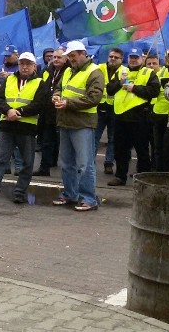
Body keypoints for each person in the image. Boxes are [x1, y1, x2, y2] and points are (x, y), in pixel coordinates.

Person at [0, 52, 49, 203]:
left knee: (27, 162)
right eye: (22, 64)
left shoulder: (40, 82)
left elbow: (40, 104)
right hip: (7, 125)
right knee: (0, 160)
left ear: (34, 66)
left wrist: (18, 112)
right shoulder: (9, 79)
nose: (24, 67)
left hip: (27, 126)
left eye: (28, 64)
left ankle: (19, 192)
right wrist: (8, 110)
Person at [52, 41, 104, 211]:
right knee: (66, 162)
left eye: (73, 56)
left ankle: (88, 198)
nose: (71, 59)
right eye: (70, 57)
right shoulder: (68, 71)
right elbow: (59, 87)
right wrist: (57, 96)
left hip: (83, 123)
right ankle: (70, 194)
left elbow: (93, 98)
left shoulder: (94, 72)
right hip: (66, 121)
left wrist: (67, 103)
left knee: (84, 163)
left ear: (83, 53)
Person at [106, 48, 159, 186]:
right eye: (131, 57)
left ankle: (142, 178)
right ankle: (120, 176)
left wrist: (134, 88)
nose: (133, 60)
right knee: (120, 150)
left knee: (141, 151)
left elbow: (154, 91)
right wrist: (120, 83)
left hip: (140, 118)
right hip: (121, 117)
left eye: (136, 57)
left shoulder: (148, 73)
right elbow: (109, 90)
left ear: (142, 58)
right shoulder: (121, 71)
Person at [35, 47, 66, 176]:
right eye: (54, 57)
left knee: (62, 141)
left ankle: (66, 168)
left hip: (62, 111)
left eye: (59, 57)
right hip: (47, 111)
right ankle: (45, 167)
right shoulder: (47, 70)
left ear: (66, 59)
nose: (55, 59)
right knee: (46, 140)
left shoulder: (69, 71)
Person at [96, 47, 126, 176]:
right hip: (100, 107)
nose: (113, 59)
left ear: (121, 59)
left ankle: (108, 163)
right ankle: (89, 163)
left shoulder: (124, 71)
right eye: (111, 56)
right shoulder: (99, 68)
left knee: (112, 139)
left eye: (116, 57)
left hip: (115, 108)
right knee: (94, 137)